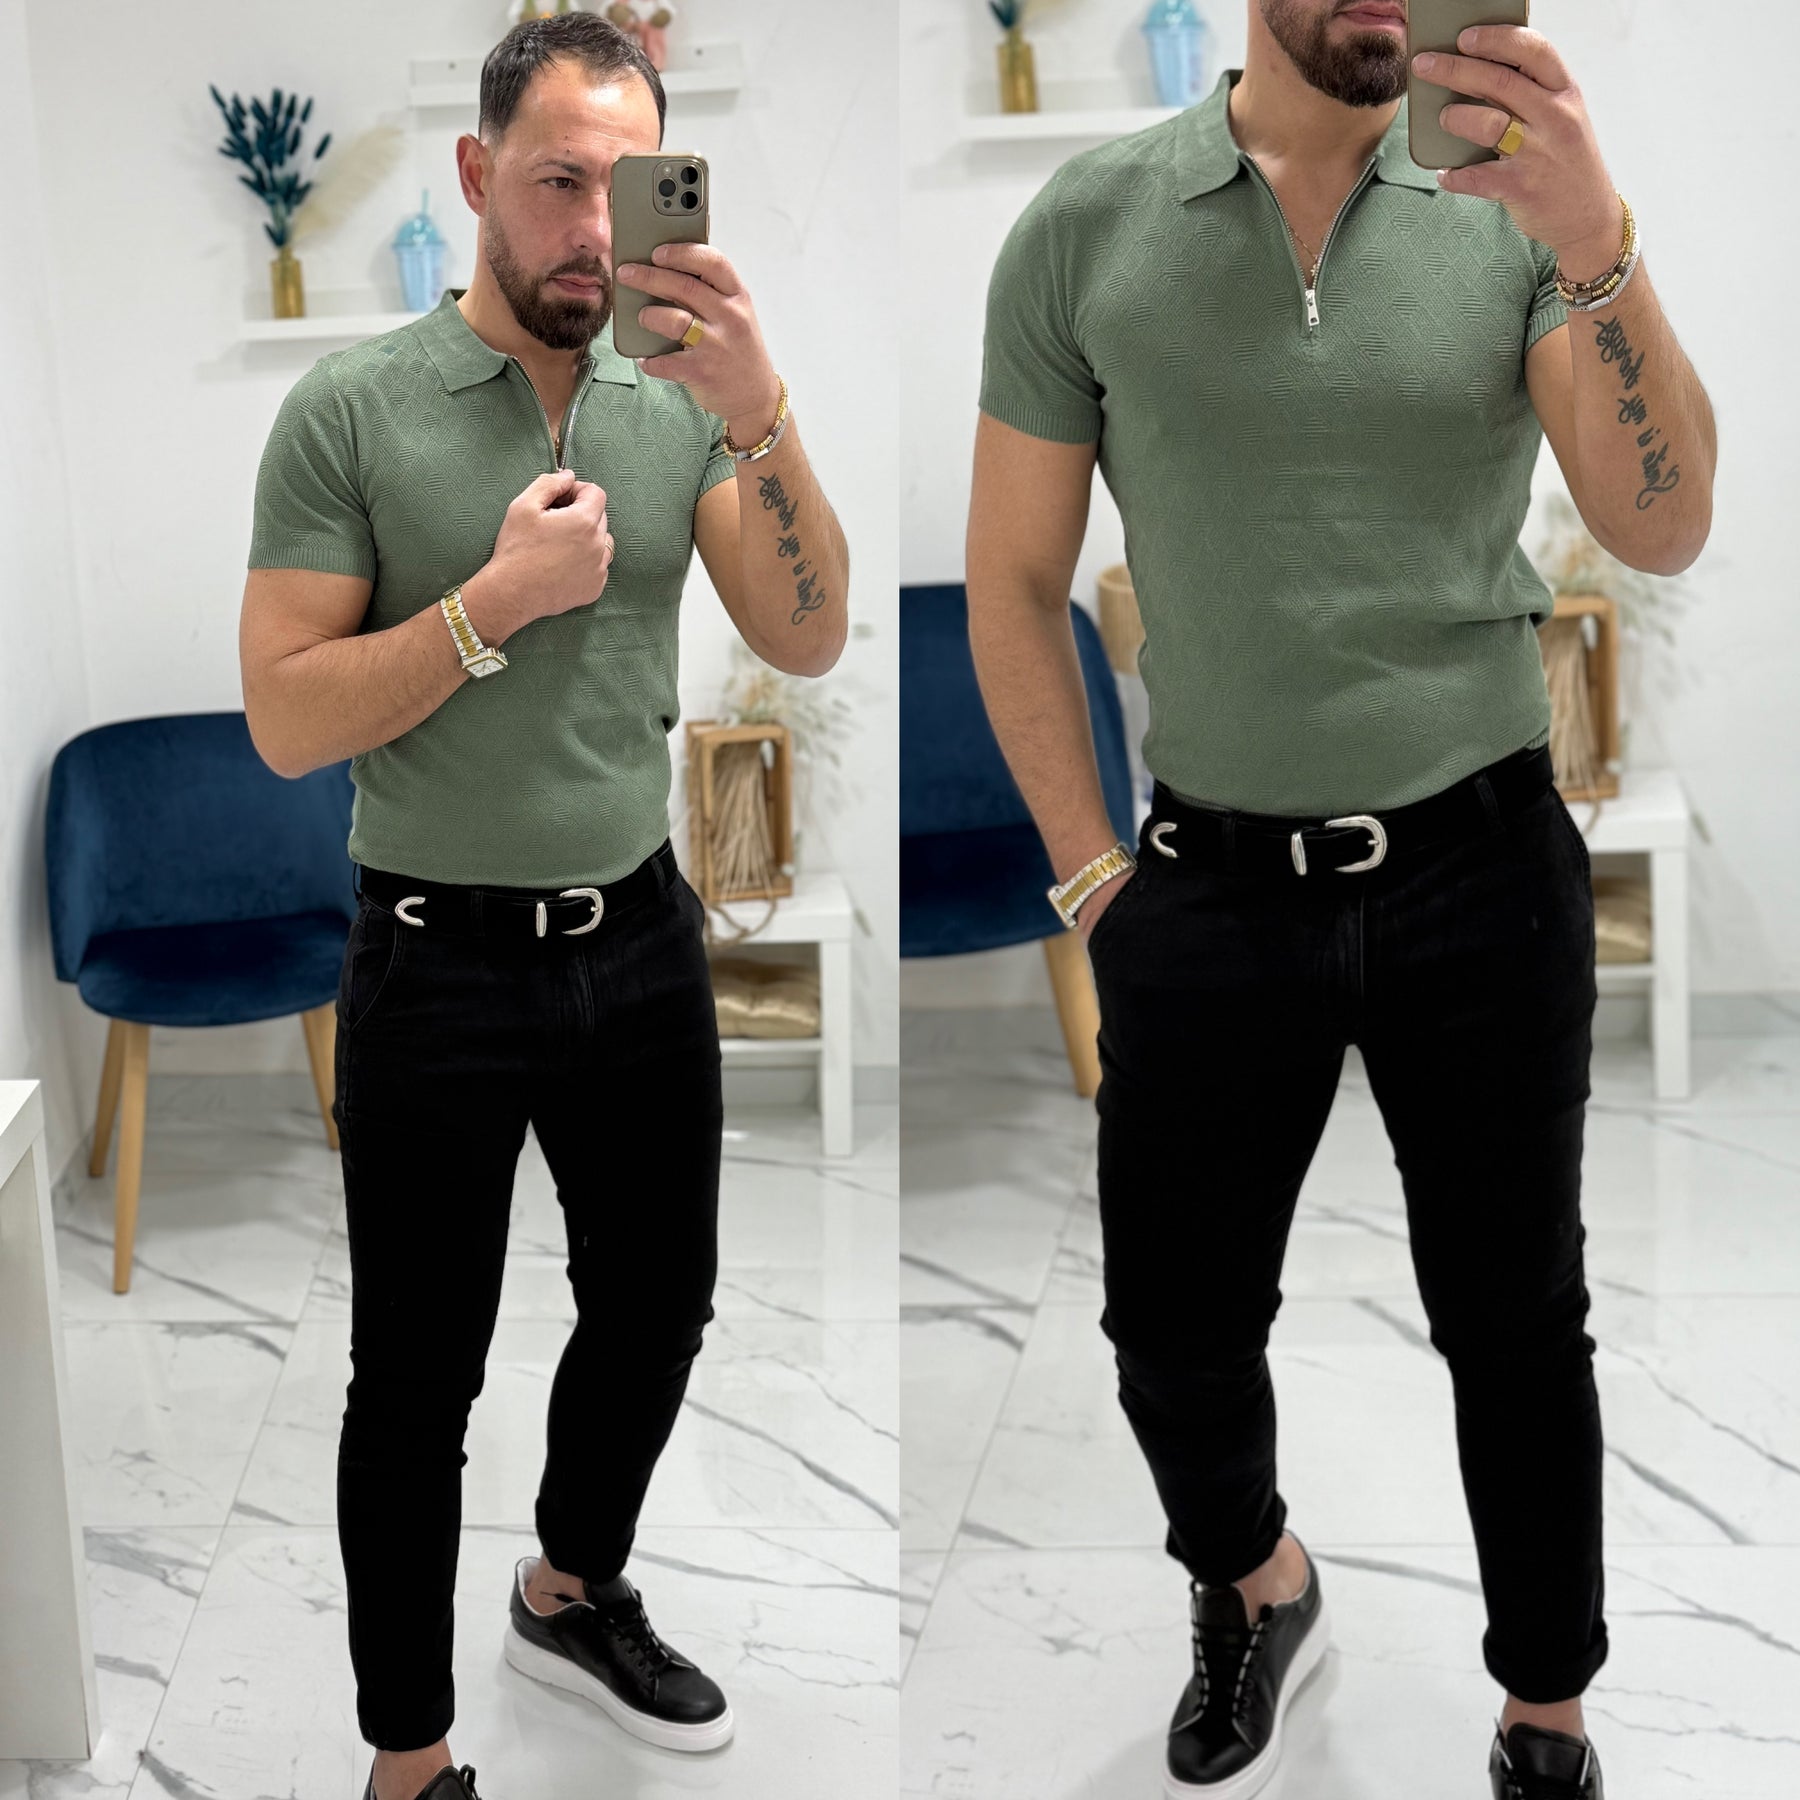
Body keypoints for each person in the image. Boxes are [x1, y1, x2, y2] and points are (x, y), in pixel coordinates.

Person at [967, 2, 1713, 1796]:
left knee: (1516, 1323)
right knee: (1172, 1334)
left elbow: (1663, 522)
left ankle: (1547, 1710)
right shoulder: (1086, 227)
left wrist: (1596, 240)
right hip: (1210, 885)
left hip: (1482, 866)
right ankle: (1257, 1580)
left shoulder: (1511, 201)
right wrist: (1094, 878)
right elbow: (1012, 581)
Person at [238, 15, 848, 1800]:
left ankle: (572, 1588)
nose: (595, 227)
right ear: (475, 175)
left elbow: (808, 632)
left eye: (631, 187)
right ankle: (410, 1761)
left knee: (659, 1309)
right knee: (414, 1384)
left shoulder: (681, 399)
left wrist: (761, 409)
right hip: (430, 961)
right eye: (559, 181)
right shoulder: (351, 410)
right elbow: (284, 718)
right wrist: (489, 604)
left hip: (638, 943)